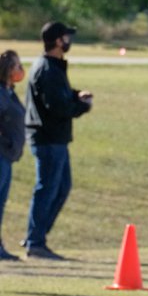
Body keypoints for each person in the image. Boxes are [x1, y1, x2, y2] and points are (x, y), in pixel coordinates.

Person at [23, 21, 92, 260]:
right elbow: (57, 106)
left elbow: (61, 95)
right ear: (57, 41)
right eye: (66, 37)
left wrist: (76, 94)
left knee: (60, 188)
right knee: (47, 189)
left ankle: (37, 235)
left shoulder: (53, 67)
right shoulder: (48, 69)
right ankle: (35, 241)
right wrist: (81, 107)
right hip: (49, 139)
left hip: (56, 139)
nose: (69, 41)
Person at [0, 51, 26, 260]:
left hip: (8, 157)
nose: (21, 70)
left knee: (1, 203)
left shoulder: (9, 92)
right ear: (8, 70)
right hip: (1, 155)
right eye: (17, 66)